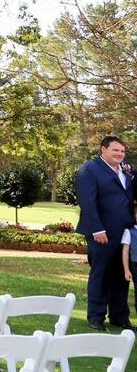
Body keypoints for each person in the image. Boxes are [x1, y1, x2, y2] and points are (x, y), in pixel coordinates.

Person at [75, 134, 136, 331]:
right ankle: (96, 317)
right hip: (101, 233)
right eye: (115, 150)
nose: (119, 154)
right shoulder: (90, 170)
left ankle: (119, 317)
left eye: (122, 151)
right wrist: (96, 229)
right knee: (100, 274)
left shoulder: (125, 170)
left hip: (124, 232)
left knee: (121, 276)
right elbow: (87, 202)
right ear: (103, 149)